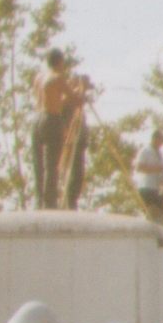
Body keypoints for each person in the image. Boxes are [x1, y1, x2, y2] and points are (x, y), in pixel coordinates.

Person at [30, 48, 91, 209]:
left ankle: (39, 201)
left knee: (38, 165)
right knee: (52, 165)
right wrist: (80, 90)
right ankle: (49, 203)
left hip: (37, 119)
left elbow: (54, 98)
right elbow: (74, 99)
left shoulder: (39, 77)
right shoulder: (57, 78)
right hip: (51, 119)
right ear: (60, 62)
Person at [133, 128, 163, 228]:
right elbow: (139, 167)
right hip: (146, 187)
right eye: (160, 141)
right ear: (154, 139)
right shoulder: (145, 151)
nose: (161, 144)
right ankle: (150, 229)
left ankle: (158, 228)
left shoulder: (160, 155)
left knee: (162, 213)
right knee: (153, 211)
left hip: (156, 188)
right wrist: (157, 168)